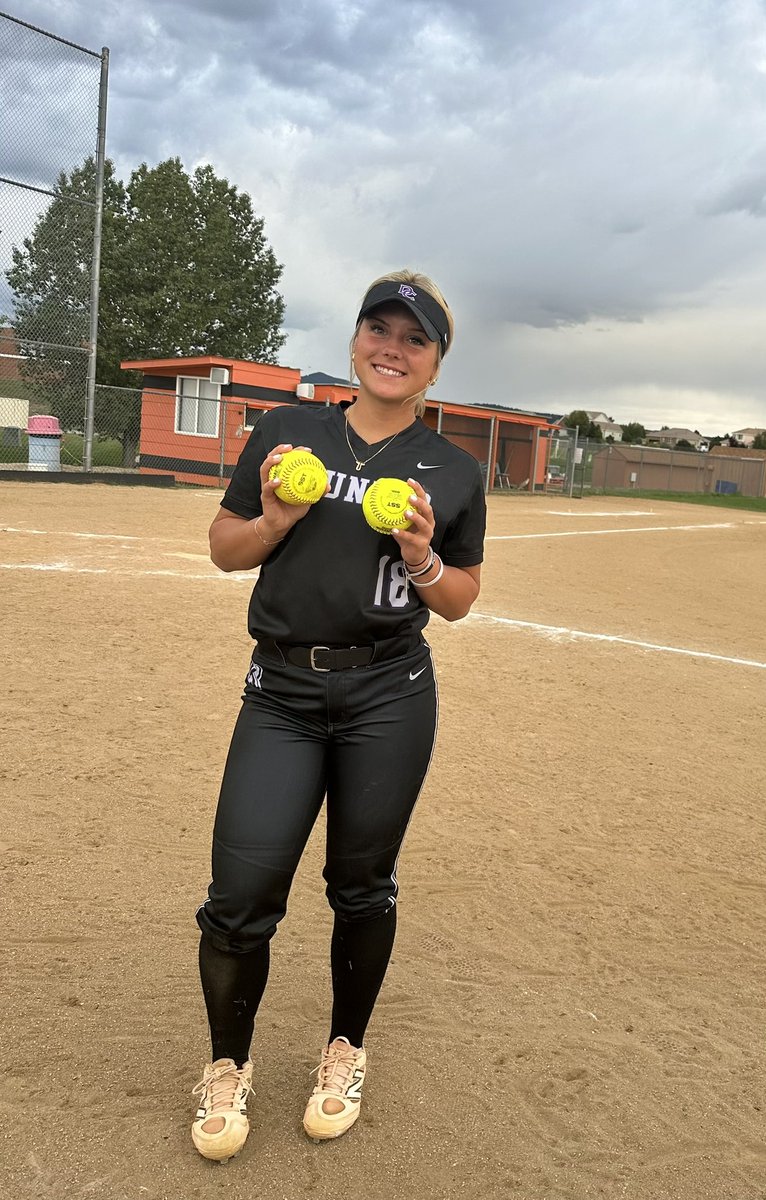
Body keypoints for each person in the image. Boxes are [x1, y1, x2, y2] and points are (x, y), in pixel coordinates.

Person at [191, 269, 486, 1163]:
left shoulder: (454, 469)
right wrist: (276, 517)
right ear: (355, 341)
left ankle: (343, 1050)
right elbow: (223, 550)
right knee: (240, 899)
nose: (392, 348)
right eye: (378, 329)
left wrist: (426, 558)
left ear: (435, 364)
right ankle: (228, 1064)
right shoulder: (287, 432)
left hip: (388, 695)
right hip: (279, 691)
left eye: (415, 339)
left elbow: (463, 598)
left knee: (361, 886)